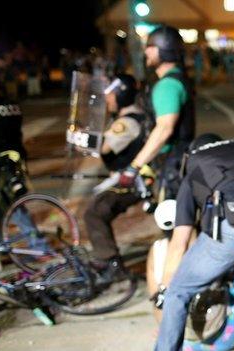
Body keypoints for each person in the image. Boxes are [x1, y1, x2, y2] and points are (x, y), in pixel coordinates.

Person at [154, 134, 234, 351]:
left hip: (233, 228)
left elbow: (179, 242)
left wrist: (164, 290)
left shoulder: (194, 166)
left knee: (178, 292)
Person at [83, 74, 154, 275]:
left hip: (133, 181)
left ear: (122, 96)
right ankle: (108, 258)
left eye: (111, 96)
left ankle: (109, 261)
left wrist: (78, 136)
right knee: (98, 208)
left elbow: (104, 147)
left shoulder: (127, 123)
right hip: (131, 178)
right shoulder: (132, 116)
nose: (108, 100)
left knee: (95, 212)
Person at [118, 25, 195, 200]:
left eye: (150, 47)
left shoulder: (167, 86)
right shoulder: (179, 77)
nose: (146, 52)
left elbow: (164, 129)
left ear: (162, 50)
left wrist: (134, 167)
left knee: (172, 223)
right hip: (181, 159)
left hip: (172, 164)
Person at [0, 63, 30, 244]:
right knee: (6, 202)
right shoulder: (12, 105)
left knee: (12, 205)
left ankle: (39, 244)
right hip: (16, 160)